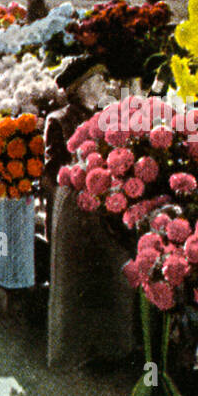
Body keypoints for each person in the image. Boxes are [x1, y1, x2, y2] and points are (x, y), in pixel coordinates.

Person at [44, 57, 134, 369]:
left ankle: (108, 348)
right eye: (97, 81)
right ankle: (78, 351)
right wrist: (81, 174)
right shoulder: (59, 120)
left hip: (102, 210)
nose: (105, 86)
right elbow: (52, 171)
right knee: (77, 279)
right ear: (80, 88)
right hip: (74, 212)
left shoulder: (107, 117)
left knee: (109, 273)